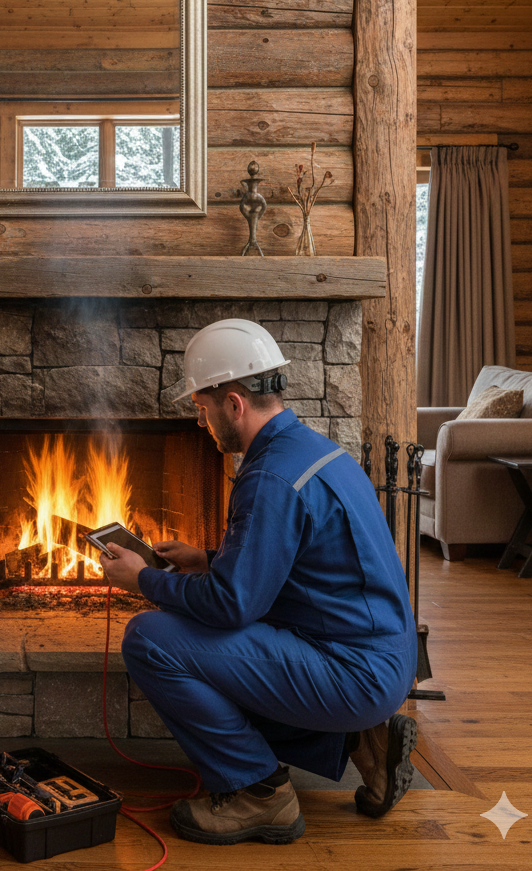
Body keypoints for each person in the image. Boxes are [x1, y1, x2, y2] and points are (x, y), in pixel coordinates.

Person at [100, 318, 418, 846]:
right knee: (206, 636)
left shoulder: (268, 477)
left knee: (151, 640)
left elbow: (231, 606)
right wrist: (206, 558)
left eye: (202, 409)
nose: (202, 423)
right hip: (381, 657)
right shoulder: (312, 450)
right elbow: (292, 568)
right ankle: (367, 749)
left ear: (233, 403)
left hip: (354, 671)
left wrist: (143, 582)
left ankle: (258, 792)